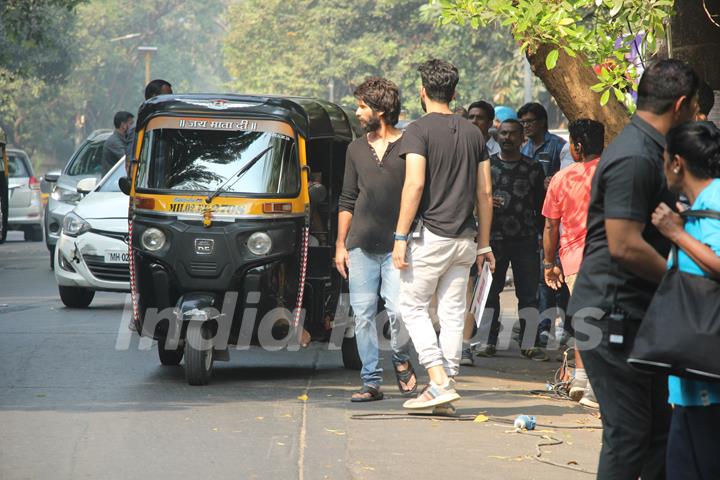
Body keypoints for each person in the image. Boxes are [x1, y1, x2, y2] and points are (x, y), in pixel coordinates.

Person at [568, 59, 699, 479]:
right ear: (681, 105)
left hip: (637, 315)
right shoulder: (635, 156)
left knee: (659, 432)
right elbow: (625, 245)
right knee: (629, 434)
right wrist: (684, 284)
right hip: (610, 315)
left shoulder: (651, 150)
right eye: (695, 109)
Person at [392, 59, 494, 409]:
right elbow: (485, 193)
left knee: (413, 306)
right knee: (452, 313)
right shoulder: (473, 133)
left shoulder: (417, 130)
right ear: (454, 92)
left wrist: (400, 236)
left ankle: (436, 377)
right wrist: (485, 244)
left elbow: (415, 183)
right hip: (466, 239)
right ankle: (446, 387)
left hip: (430, 236)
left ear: (422, 92)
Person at [336, 77, 416, 402]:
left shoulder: (411, 146)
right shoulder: (355, 148)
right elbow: (346, 199)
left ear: (381, 110)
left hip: (398, 246)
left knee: (398, 311)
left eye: (362, 106)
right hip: (360, 246)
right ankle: (370, 380)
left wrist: (408, 238)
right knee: (363, 314)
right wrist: (341, 244)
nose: (357, 112)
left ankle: (400, 357)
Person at [651, 121, 720, 478]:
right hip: (691, 380)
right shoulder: (696, 206)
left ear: (677, 162)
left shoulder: (716, 200)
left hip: (711, 381)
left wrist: (676, 233)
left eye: (663, 158)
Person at [541, 119, 604, 408]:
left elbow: (551, 227)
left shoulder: (562, 178)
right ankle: (590, 383)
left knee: (584, 318)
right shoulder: (613, 172)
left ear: (577, 147)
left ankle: (582, 380)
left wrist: (548, 262)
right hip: (614, 255)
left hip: (575, 259)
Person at [475, 119, 545, 358]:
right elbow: (475, 202)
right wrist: (485, 203)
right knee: (489, 294)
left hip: (525, 240)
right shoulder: (488, 167)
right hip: (493, 240)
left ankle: (530, 343)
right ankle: (487, 342)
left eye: (512, 134)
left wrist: (541, 238)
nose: (506, 138)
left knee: (528, 295)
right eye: (503, 134)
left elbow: (541, 207)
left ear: (521, 137)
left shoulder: (533, 168)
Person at [518, 102, 572, 355]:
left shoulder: (558, 147)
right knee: (542, 274)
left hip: (558, 217)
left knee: (558, 272)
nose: (526, 126)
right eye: (523, 122)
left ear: (541, 122)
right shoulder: (525, 148)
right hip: (535, 217)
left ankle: (564, 324)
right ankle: (543, 325)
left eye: (529, 121)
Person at [125, 79, 173, 171]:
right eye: (167, 97)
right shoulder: (139, 129)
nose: (171, 101)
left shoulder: (172, 125)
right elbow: (131, 166)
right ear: (154, 98)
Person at [102, 111, 134, 175]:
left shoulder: (125, 139)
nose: (133, 127)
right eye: (131, 124)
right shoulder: (113, 142)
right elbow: (128, 160)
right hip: (112, 183)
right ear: (123, 125)